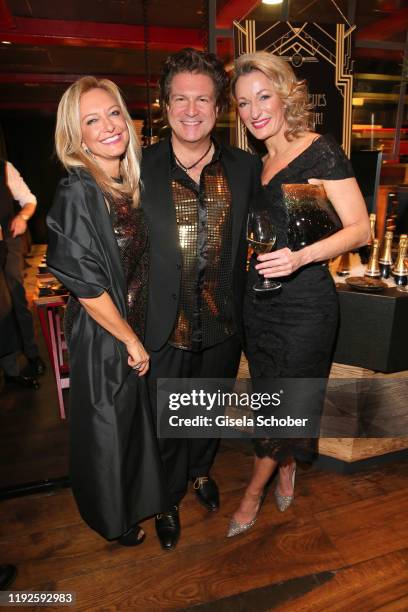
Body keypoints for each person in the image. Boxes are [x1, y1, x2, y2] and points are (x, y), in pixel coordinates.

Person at [227, 51, 370, 536]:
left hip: (306, 304)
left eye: (263, 96)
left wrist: (300, 257)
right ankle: (285, 463)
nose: (255, 110)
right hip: (258, 306)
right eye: (244, 103)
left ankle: (252, 493)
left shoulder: (319, 150)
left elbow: (360, 230)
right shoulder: (258, 164)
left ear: (286, 96)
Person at [141, 48, 263, 550]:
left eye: (204, 100)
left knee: (208, 412)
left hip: (223, 322)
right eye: (181, 99)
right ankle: (167, 498)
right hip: (162, 326)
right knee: (167, 423)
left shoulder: (246, 169)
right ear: (165, 106)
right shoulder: (139, 168)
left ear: (219, 109)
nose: (192, 110)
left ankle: (199, 473)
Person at [46, 76, 169, 544]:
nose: (108, 126)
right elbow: (85, 283)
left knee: (128, 426)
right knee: (106, 430)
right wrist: (129, 338)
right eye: (91, 121)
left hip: (125, 327)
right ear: (75, 137)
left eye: (113, 113)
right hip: (105, 334)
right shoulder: (78, 190)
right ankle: (112, 521)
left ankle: (133, 502)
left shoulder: (122, 181)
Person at [0, 159, 45, 384]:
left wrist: (22, 216)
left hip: (8, 240)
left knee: (16, 297)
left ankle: (31, 353)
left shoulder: (4, 167)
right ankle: (10, 369)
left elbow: (28, 200)